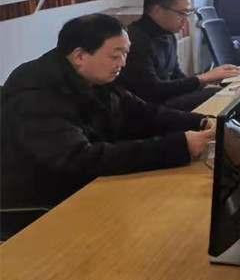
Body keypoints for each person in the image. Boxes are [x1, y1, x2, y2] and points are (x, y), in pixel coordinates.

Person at [0, 14, 216, 212]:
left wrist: (201, 122)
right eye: (115, 55)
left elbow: (143, 113)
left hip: (84, 185)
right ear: (79, 56)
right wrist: (179, 146)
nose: (123, 63)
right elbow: (80, 160)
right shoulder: (35, 94)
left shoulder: (95, 77)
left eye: (125, 53)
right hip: (42, 204)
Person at [119, 0, 240, 111]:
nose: (186, 20)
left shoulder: (168, 34)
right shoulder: (134, 40)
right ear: (157, 11)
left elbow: (176, 75)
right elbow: (152, 90)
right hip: (148, 108)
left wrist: (203, 85)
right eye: (182, 13)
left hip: (167, 99)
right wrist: (203, 78)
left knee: (230, 92)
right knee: (220, 97)